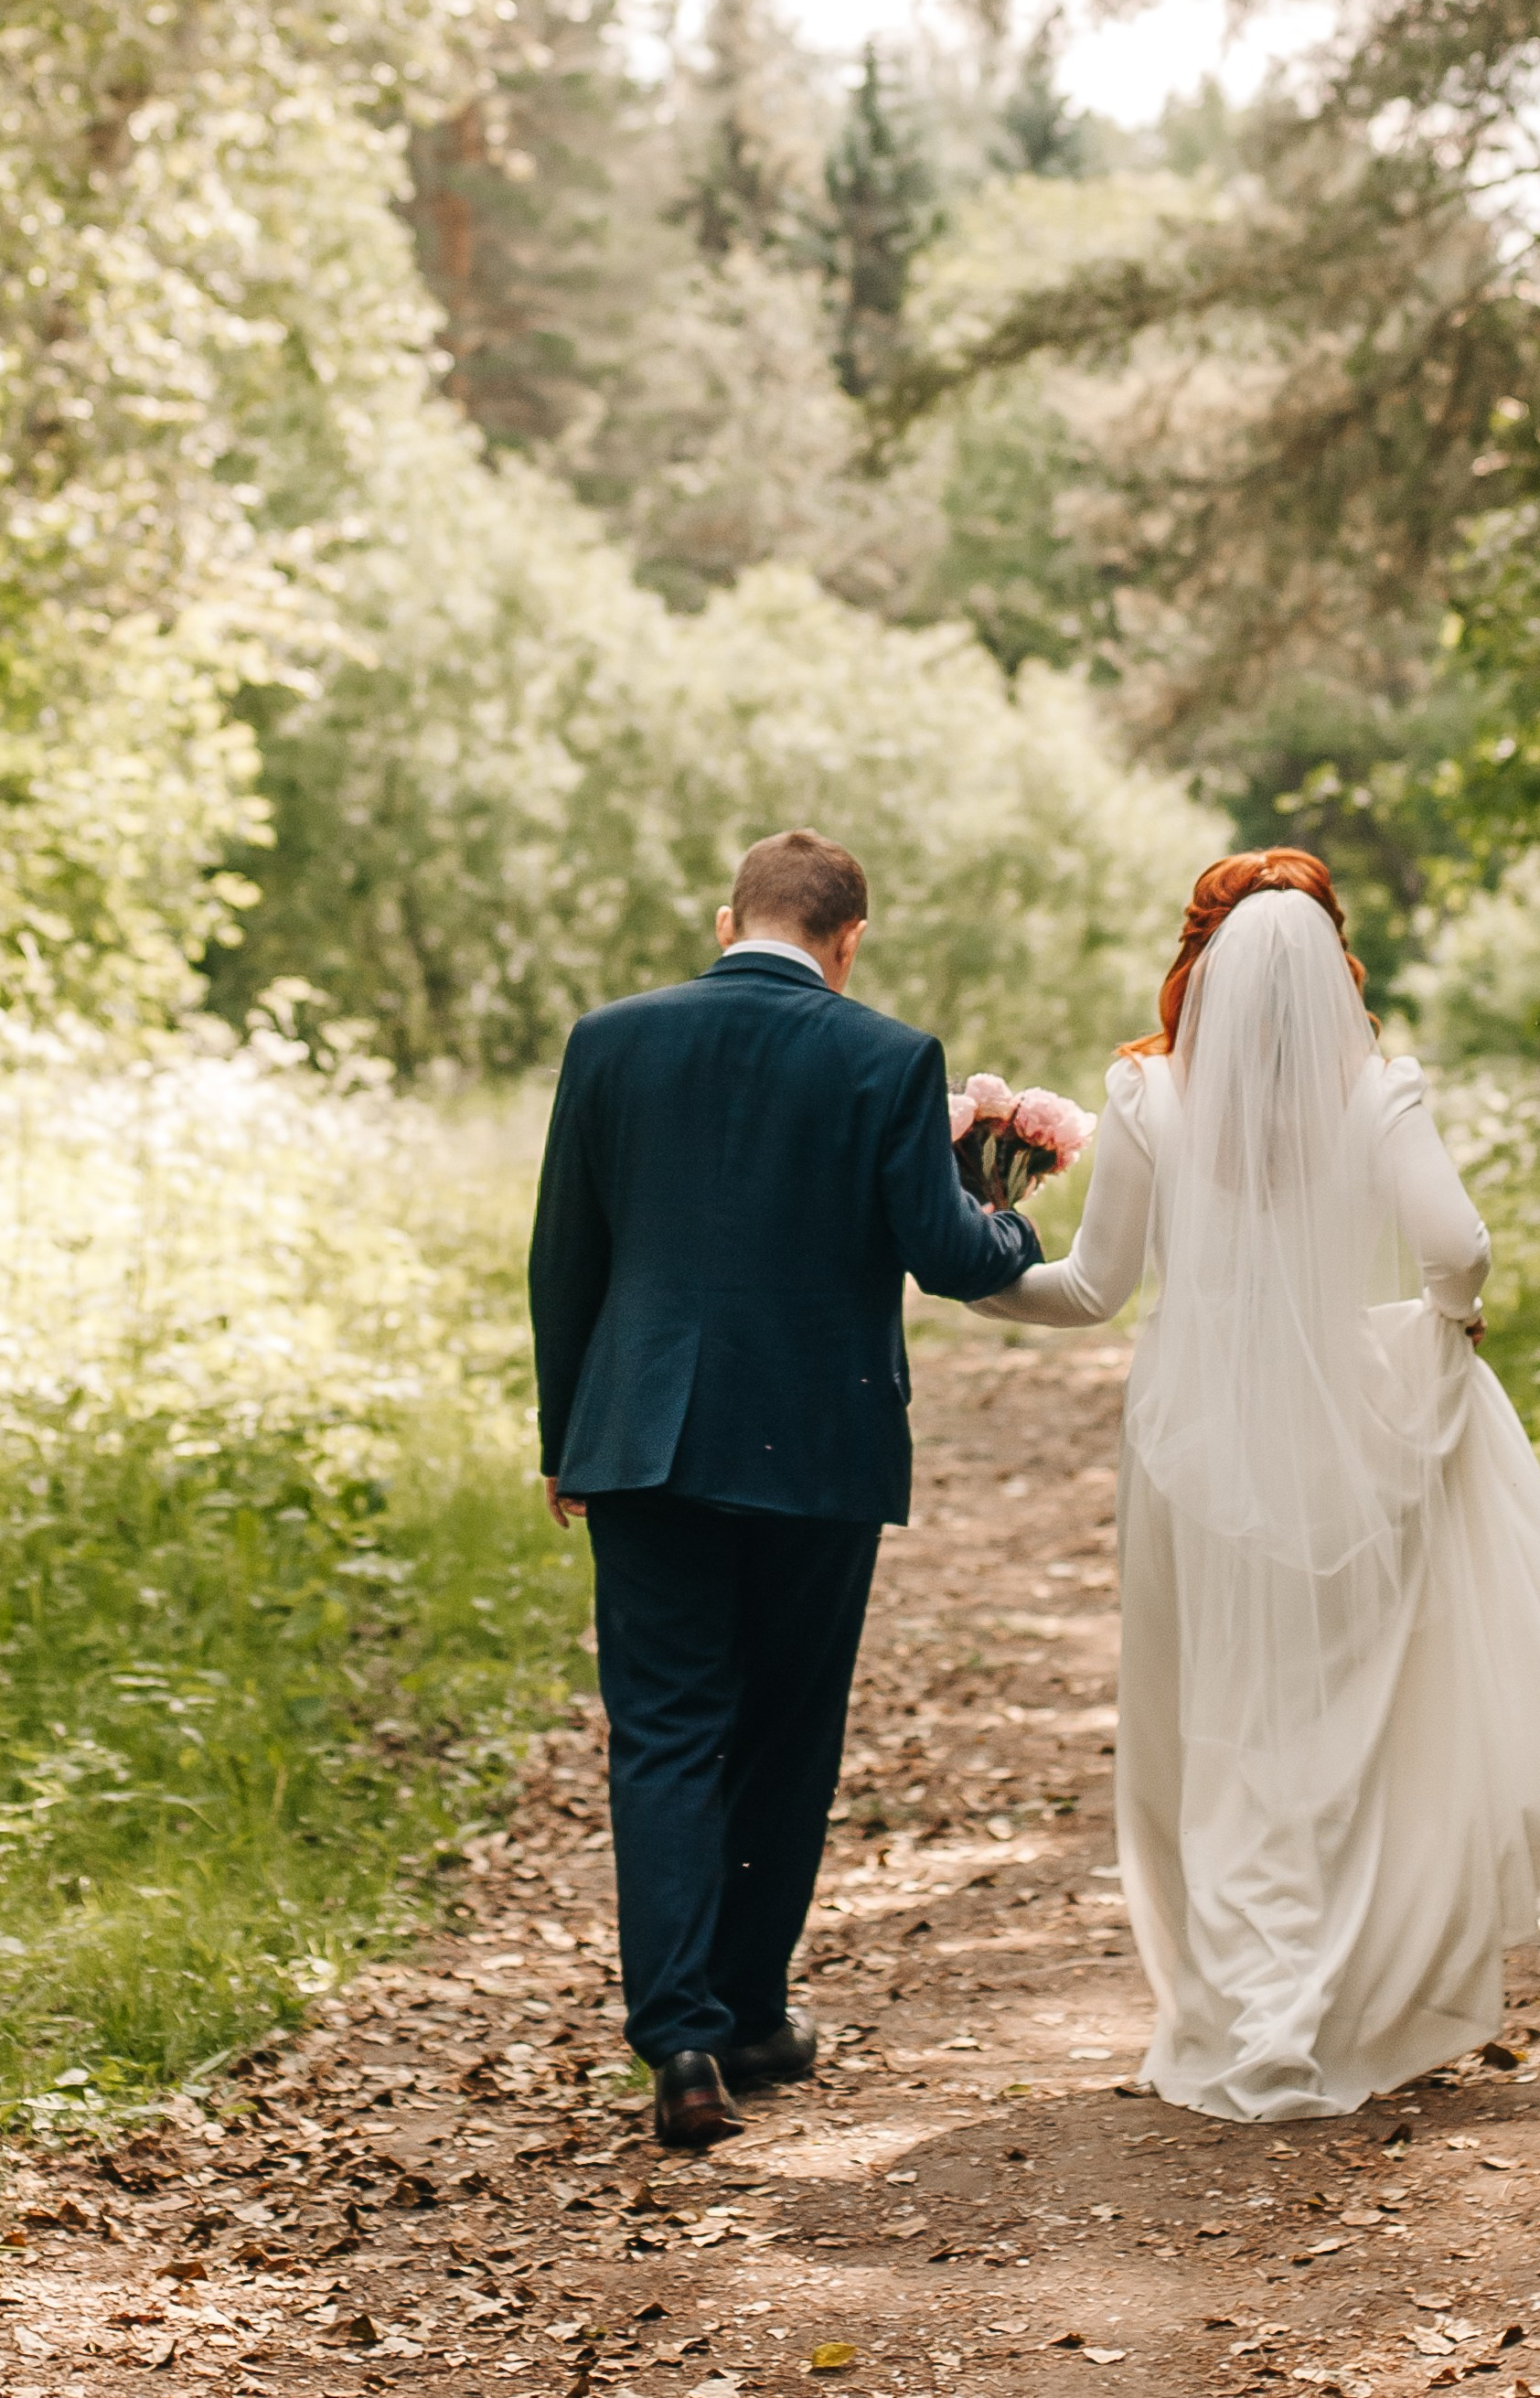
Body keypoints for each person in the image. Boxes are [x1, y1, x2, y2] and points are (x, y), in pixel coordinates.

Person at [976, 849, 1540, 2122]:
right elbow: (1459, 1245)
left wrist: (972, 1266)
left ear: (1201, 963)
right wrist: (1447, 1319)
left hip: (1194, 1449)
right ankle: (1327, 2004)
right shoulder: (1376, 1091)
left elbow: (1093, 1288)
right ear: (1330, 970)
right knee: (1337, 1731)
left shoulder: (1151, 1093)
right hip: (1338, 1447)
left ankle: (1248, 2016)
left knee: (1215, 1728)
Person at [529, 829, 1042, 2150]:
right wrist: (1013, 1209)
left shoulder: (609, 1039)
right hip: (818, 1449)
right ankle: (754, 2010)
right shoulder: (888, 1056)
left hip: (642, 1439)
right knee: (787, 1732)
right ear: (848, 934)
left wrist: (563, 1436)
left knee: (664, 1732)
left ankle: (684, 2038)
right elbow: (945, 1254)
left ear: (727, 918)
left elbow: (564, 1254)